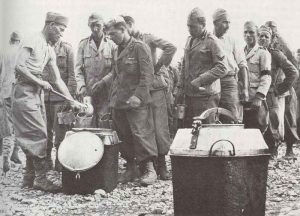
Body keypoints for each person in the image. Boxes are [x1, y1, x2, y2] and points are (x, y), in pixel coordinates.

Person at [12, 12, 81, 192]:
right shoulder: (32, 39)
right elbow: (19, 66)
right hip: (24, 91)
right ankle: (41, 179)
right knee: (38, 134)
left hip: (36, 93)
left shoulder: (49, 49)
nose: (61, 34)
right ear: (50, 25)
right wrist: (40, 81)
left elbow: (57, 80)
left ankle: (28, 177)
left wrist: (73, 101)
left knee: (35, 134)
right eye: (60, 29)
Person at [121, 15, 177, 180]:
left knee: (160, 128)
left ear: (130, 25)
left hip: (155, 89)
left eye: (125, 27)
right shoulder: (125, 45)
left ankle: (162, 163)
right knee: (143, 128)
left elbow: (170, 47)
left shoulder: (148, 38)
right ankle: (146, 166)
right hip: (138, 90)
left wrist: (157, 66)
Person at [106, 16, 158, 186]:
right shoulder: (116, 50)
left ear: (123, 29)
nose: (111, 37)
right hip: (119, 102)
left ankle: (149, 169)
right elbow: (115, 76)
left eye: (113, 33)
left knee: (140, 133)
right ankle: (131, 168)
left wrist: (139, 96)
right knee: (123, 135)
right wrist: (112, 100)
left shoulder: (140, 47)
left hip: (136, 102)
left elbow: (148, 75)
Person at [178, 7, 227, 126]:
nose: (190, 29)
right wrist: (180, 87)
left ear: (203, 24)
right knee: (192, 130)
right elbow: (185, 65)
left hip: (206, 96)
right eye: (188, 26)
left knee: (208, 129)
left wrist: (200, 80)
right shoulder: (189, 40)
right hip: (190, 95)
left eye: (193, 26)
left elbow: (222, 68)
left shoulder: (212, 41)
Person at [258, 25, 298, 158]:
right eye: (261, 35)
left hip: (277, 91)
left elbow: (293, 71)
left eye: (266, 36)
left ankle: (280, 149)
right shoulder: (255, 51)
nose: (263, 38)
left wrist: (279, 88)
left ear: (272, 37)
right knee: (263, 120)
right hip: (261, 92)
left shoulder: (276, 53)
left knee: (280, 120)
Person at [75, 13, 115, 128]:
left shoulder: (112, 44)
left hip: (106, 94)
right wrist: (82, 87)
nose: (95, 29)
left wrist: (103, 82)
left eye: (98, 25)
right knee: (88, 124)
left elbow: (115, 70)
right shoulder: (83, 44)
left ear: (103, 26)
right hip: (88, 94)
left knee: (104, 124)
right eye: (92, 26)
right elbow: (78, 69)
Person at [42, 38, 76, 171]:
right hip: (44, 97)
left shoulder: (67, 49)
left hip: (62, 98)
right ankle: (46, 160)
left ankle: (60, 160)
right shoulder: (42, 47)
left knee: (62, 131)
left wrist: (69, 99)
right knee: (45, 132)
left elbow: (72, 76)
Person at [212, 9, 249, 122]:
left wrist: (245, 89)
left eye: (229, 22)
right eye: (224, 22)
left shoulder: (232, 40)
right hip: (212, 82)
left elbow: (242, 65)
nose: (228, 26)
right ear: (215, 23)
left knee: (232, 117)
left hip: (229, 82)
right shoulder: (208, 39)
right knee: (211, 117)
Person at [242, 22, 272, 132]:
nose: (248, 35)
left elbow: (266, 77)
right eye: (245, 32)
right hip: (243, 98)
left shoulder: (262, 53)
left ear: (257, 34)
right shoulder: (240, 52)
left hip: (255, 98)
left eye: (251, 32)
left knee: (259, 129)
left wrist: (259, 97)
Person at [0, 31, 22, 175]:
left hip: (5, 92)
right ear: (19, 41)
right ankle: (15, 152)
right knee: (20, 126)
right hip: (19, 92)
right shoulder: (21, 52)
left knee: (8, 128)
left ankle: (7, 156)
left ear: (10, 40)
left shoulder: (4, 52)